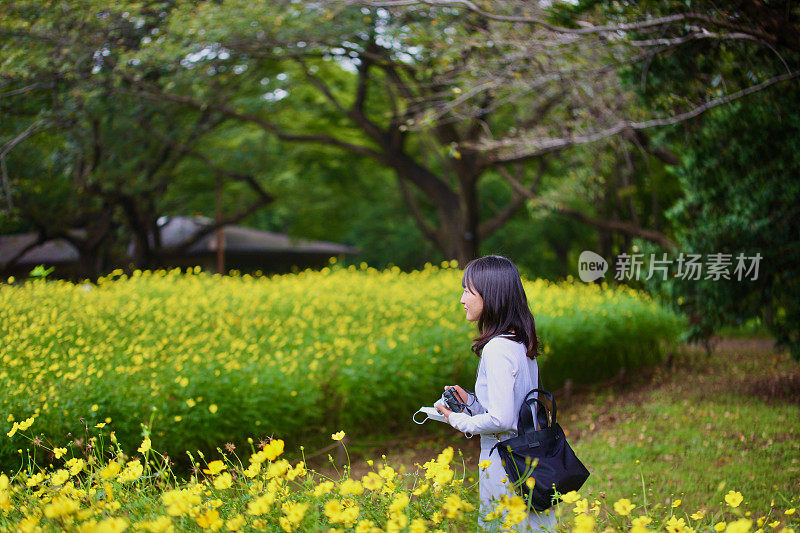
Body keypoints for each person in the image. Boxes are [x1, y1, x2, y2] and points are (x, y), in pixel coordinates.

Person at [435, 255, 557, 533]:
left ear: (491, 295)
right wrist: (472, 404)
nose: (462, 299)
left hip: (505, 465)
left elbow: (502, 420)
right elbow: (513, 411)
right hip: (527, 460)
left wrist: (457, 420)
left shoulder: (497, 349)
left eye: (468, 291)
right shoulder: (519, 342)